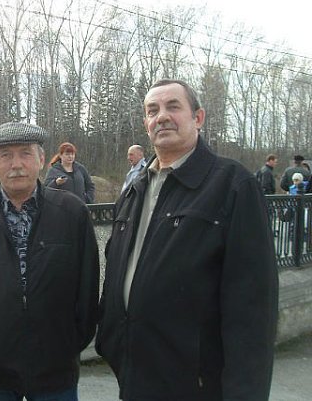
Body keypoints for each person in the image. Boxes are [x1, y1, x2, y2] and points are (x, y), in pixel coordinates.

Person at [96, 79, 278, 400]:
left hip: (196, 384)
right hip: (134, 376)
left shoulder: (232, 185)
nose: (162, 117)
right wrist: (110, 341)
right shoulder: (135, 188)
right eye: (152, 110)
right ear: (146, 123)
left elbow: (253, 308)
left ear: (198, 117)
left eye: (173, 106)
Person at [0, 122, 100, 401]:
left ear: (41, 159)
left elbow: (88, 285)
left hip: (56, 370)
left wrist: (72, 340)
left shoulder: (72, 214)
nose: (16, 164)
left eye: (25, 153)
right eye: (5, 155)